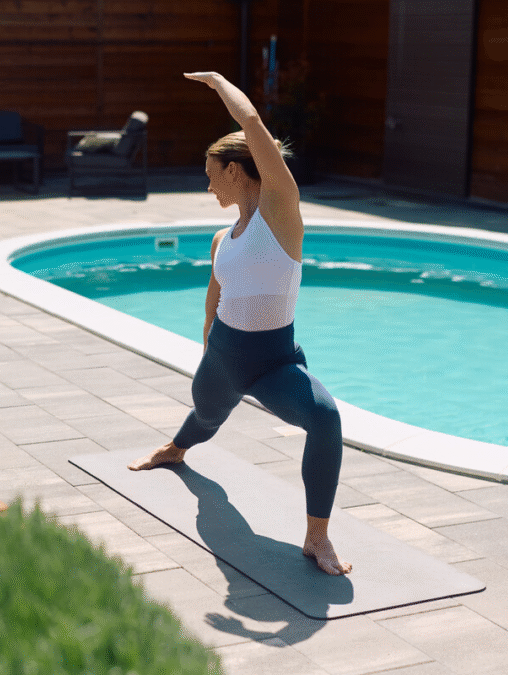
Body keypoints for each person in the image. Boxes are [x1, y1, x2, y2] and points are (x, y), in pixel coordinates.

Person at [128, 72, 351, 576]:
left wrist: (218, 83)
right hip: (225, 357)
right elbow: (214, 299)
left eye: (212, 174)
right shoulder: (220, 239)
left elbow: (250, 121)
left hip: (276, 361)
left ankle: (317, 537)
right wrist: (208, 343)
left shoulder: (281, 213)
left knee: (325, 418)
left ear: (235, 169)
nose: (207, 184)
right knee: (206, 417)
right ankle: (174, 449)